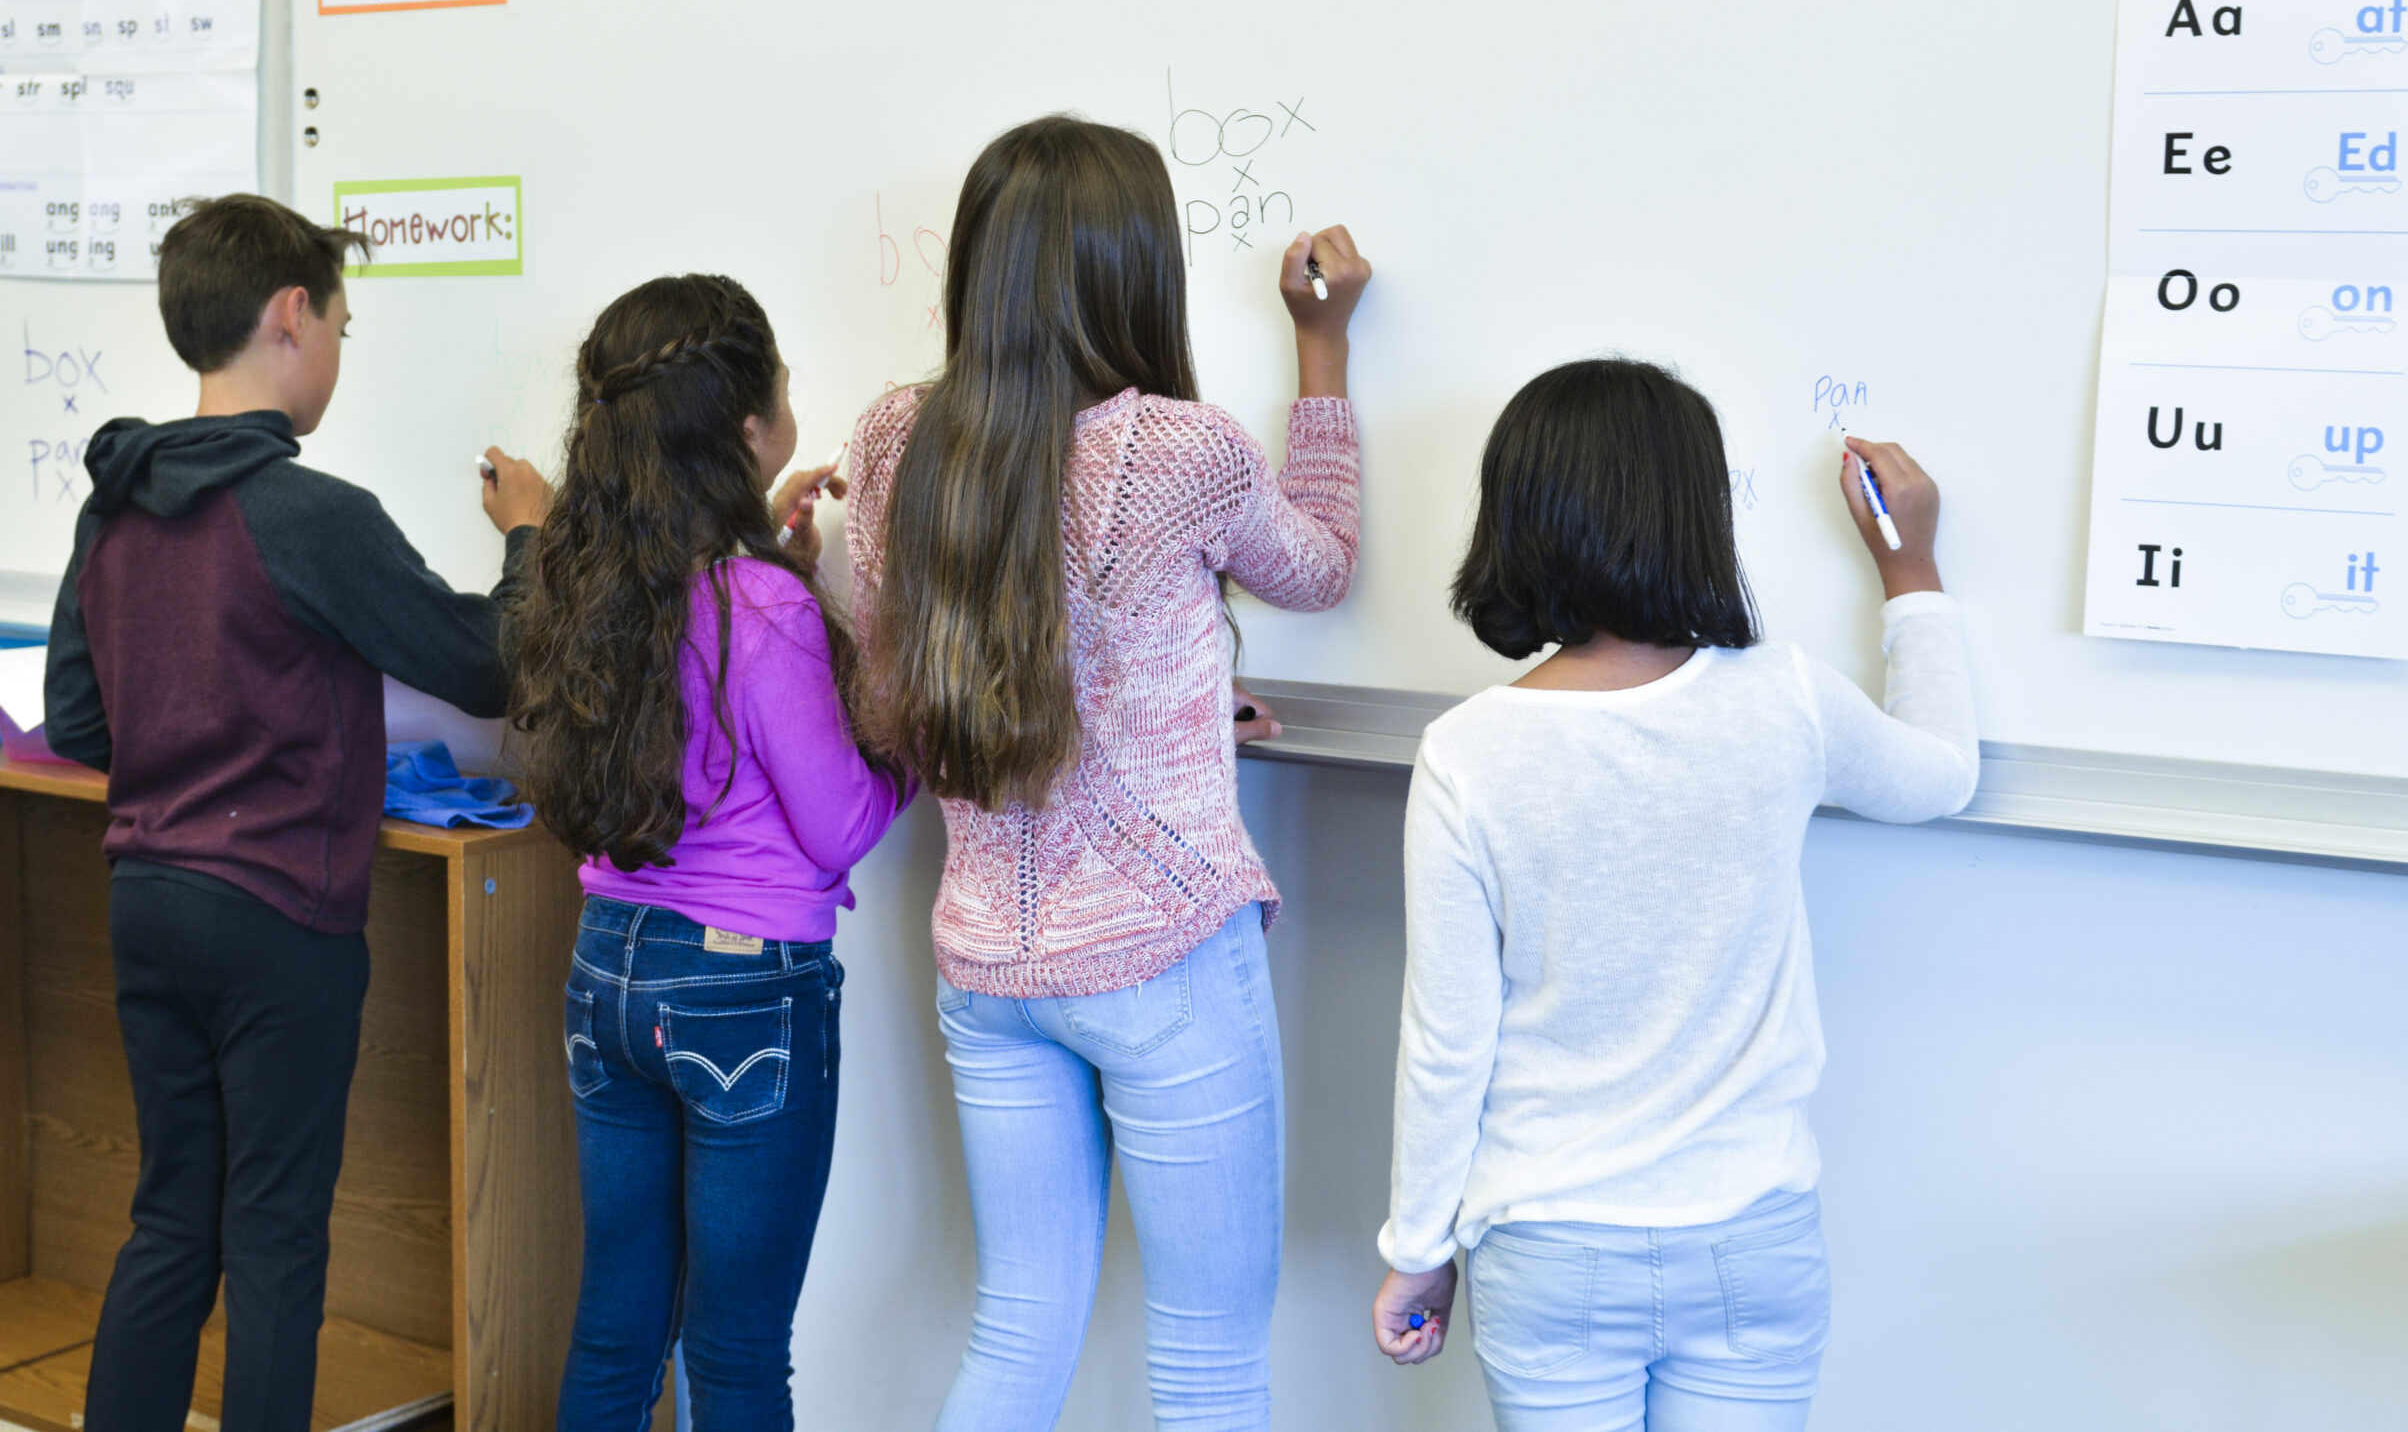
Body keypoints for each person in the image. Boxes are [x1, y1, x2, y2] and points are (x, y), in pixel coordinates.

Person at [846, 115, 1370, 1431]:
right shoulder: (1179, 451)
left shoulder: (898, 441)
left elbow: (920, 688)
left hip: (989, 967)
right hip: (1162, 957)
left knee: (1017, 1334)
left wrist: (1178, 708)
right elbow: (1319, 566)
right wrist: (1320, 347)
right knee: (1208, 1366)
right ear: (1135, 269)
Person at [1368, 360, 1980, 1431]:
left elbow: (1447, 1041)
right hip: (1753, 1235)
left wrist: (1418, 1250)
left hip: (1550, 1244)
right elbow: (1942, 774)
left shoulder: (1467, 752)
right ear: (1698, 513)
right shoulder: (1784, 700)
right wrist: (1911, 570)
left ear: (1517, 516)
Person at [44, 193, 551, 1432]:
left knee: (173, 1217)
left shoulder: (116, 504)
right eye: (339, 323)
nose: (337, 348)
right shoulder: (311, 514)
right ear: (290, 317)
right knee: (274, 1239)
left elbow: (78, 723)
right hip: (277, 918)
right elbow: (490, 664)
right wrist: (532, 538)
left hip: (147, 898)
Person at [502, 274, 914, 1430]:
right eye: (780, 382)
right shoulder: (758, 605)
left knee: (616, 1330)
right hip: (743, 993)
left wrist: (769, 554)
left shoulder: (588, 578)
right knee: (735, 1359)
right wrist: (912, 747)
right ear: (746, 426)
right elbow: (843, 825)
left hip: (608, 967)